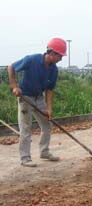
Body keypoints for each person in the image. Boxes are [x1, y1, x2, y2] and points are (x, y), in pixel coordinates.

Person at [7, 38, 67, 167]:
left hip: (39, 98)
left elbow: (50, 90)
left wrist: (49, 109)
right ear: (52, 53)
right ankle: (25, 158)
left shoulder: (54, 70)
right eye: (60, 56)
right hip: (25, 97)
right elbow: (11, 67)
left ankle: (44, 152)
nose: (61, 59)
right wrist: (15, 87)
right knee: (26, 128)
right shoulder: (32, 59)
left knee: (47, 125)